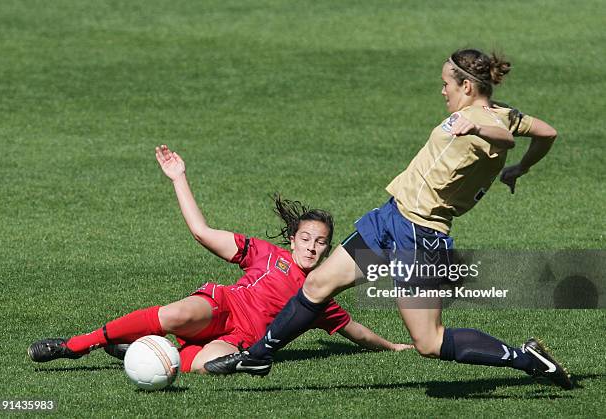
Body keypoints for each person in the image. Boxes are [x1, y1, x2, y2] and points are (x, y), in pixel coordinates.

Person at [204, 49, 572, 390]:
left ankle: (529, 359)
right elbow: (547, 132)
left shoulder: (480, 122)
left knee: (429, 342)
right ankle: (257, 356)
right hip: (389, 219)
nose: (442, 90)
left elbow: (503, 139)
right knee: (317, 285)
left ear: (466, 85)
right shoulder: (505, 112)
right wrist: (521, 168)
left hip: (419, 237)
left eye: (446, 83)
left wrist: (477, 131)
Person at [28, 146, 412, 373]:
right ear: (293, 239)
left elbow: (354, 331)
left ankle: (137, 348)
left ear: (329, 250)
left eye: (321, 243)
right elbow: (201, 231)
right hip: (220, 308)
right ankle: (75, 346)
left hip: (238, 341)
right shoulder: (266, 253)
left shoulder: (319, 297)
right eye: (306, 238)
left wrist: (393, 347)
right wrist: (179, 178)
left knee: (202, 368)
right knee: (176, 316)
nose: (312, 247)